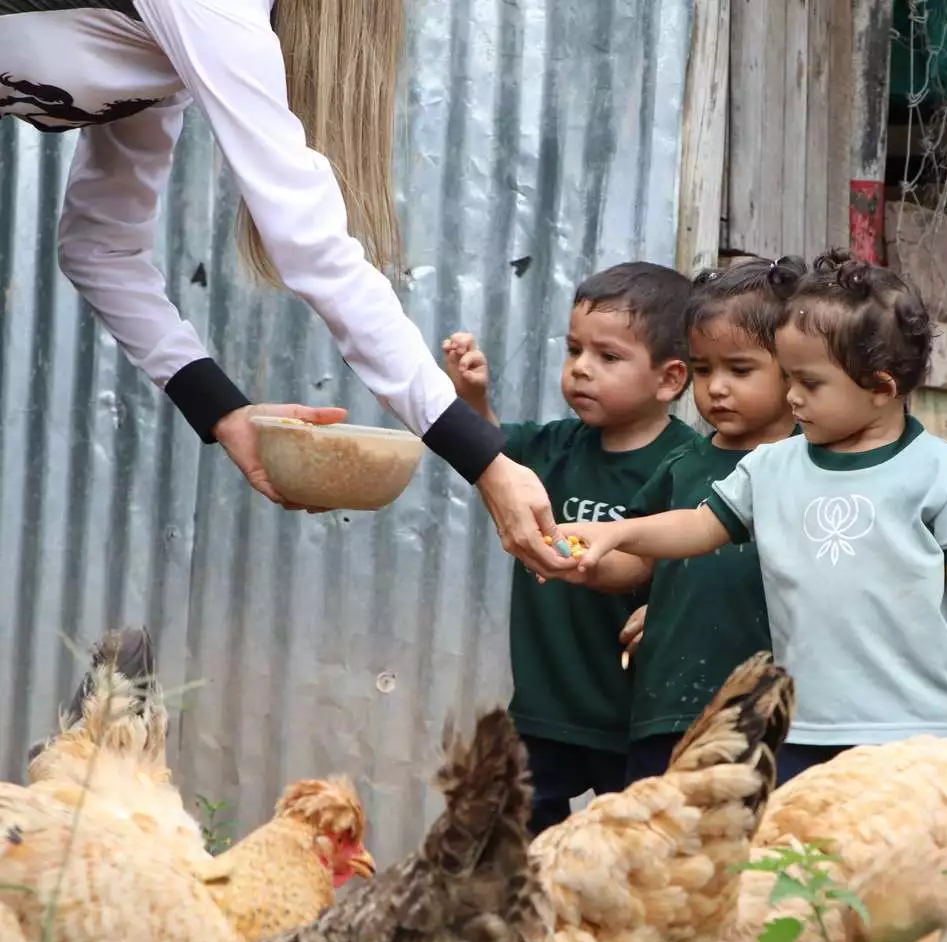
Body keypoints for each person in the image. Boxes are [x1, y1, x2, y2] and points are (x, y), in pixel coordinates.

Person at [0, 0, 569, 576]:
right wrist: (486, 462)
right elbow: (313, 250)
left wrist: (226, 413)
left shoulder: (182, 43)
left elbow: (102, 248)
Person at [552, 250, 947, 785]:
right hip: (806, 728)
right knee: (800, 863)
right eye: (788, 376)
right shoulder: (770, 467)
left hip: (921, 727)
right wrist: (616, 531)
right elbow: (698, 525)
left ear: (880, 388)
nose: (792, 395)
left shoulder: (941, 473)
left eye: (809, 382)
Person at [442, 261, 699, 834]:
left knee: (631, 859)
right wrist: (472, 400)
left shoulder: (687, 466)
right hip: (544, 710)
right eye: (573, 349)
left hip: (638, 719)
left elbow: (683, 569)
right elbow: (491, 464)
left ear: (670, 379)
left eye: (608, 357)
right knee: (502, 844)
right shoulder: (552, 447)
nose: (581, 369)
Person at [576, 255, 804, 783]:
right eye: (703, 370)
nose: (716, 387)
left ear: (793, 370)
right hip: (669, 706)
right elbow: (639, 564)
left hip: (767, 712)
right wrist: (584, 561)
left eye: (739, 369)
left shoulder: (809, 467)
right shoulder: (683, 466)